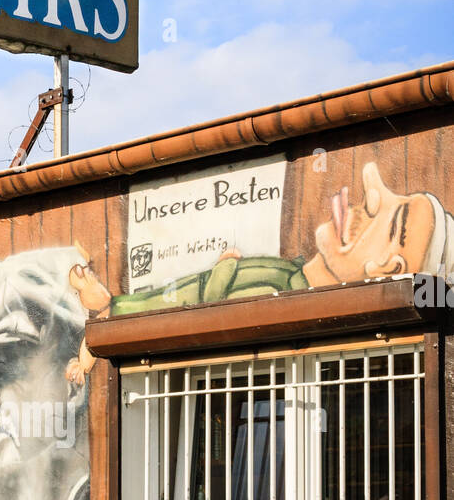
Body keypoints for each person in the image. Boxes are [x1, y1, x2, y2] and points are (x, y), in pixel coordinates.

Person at [66, 163, 454, 383]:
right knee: (154, 300)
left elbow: (220, 308)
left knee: (146, 307)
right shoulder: (295, 271)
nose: (371, 188)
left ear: (389, 268)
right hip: (187, 290)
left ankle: (104, 316)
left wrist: (227, 267)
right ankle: (104, 316)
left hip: (192, 293)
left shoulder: (288, 290)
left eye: (391, 219)